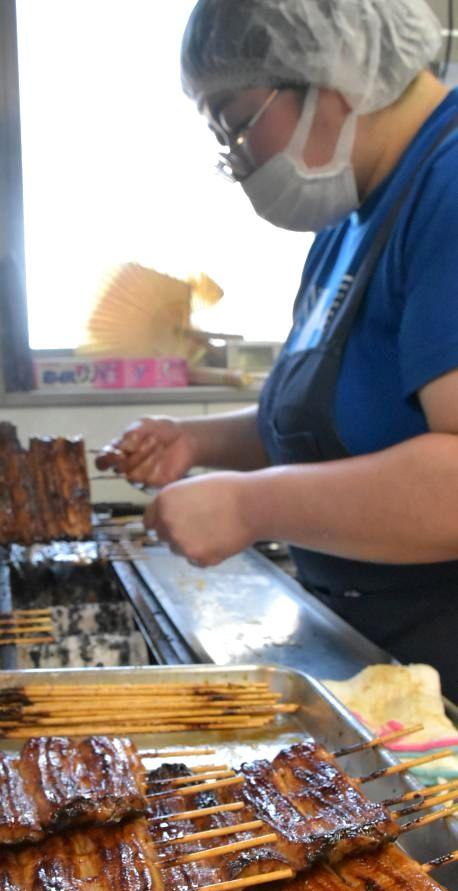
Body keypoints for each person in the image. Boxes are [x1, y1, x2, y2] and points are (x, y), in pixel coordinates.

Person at [96, 0, 458, 701]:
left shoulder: (448, 186)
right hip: (377, 647)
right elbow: (343, 424)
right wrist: (197, 444)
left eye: (236, 125)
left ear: (330, 72)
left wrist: (250, 506)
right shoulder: (352, 212)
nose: (237, 162)